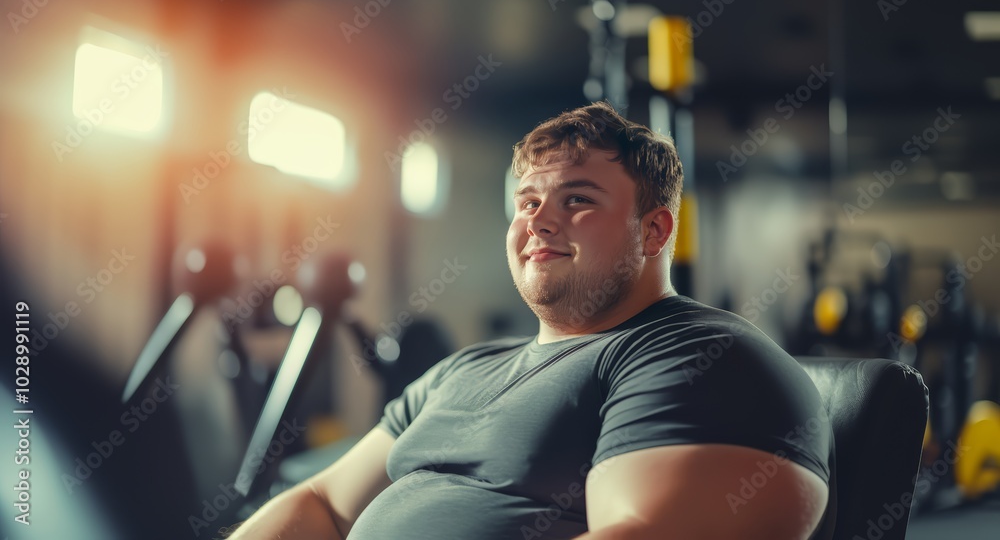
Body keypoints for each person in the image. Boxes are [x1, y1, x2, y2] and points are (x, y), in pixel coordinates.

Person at [227, 102, 834, 540]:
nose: (539, 221)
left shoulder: (694, 355)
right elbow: (322, 506)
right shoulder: (463, 371)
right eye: (528, 201)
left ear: (653, 229)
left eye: (578, 199)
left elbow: (641, 531)